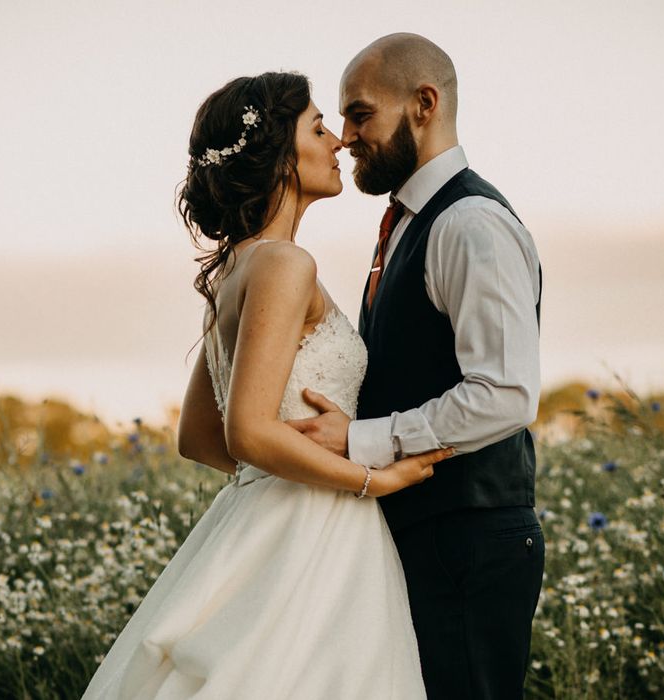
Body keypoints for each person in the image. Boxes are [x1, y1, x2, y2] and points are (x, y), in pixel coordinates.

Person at [81, 71, 453, 700]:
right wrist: (369, 478)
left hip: (258, 524)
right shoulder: (284, 263)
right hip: (318, 533)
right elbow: (245, 431)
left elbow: (198, 437)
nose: (337, 141)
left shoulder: (234, 271)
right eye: (317, 127)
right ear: (282, 154)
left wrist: (274, 477)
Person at [287, 34, 545, 699]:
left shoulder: (470, 224)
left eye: (360, 113)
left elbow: (505, 395)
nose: (344, 137)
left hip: (469, 542)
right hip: (424, 537)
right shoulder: (407, 222)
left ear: (423, 104)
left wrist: (359, 440)